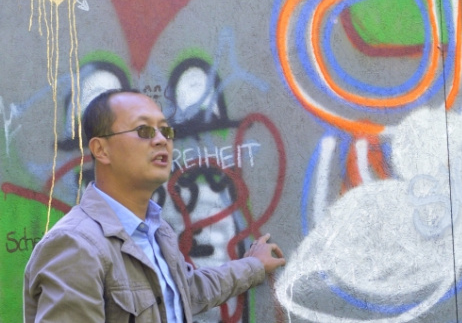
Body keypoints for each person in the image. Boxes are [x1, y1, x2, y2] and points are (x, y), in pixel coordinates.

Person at [24, 89, 285, 322]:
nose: (162, 139)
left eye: (166, 130)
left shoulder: (156, 230)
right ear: (101, 150)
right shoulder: (76, 246)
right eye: (144, 131)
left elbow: (187, 291)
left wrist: (255, 266)